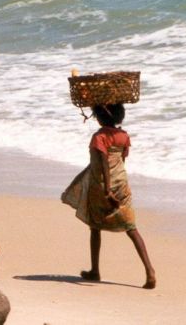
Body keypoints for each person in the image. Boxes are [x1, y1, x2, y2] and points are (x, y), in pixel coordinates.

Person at [62, 104, 156, 289]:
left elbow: (103, 160)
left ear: (98, 117)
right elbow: (121, 159)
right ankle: (149, 271)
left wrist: (107, 190)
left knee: (95, 227)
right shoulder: (124, 136)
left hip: (102, 186)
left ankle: (95, 270)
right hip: (122, 183)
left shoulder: (99, 137)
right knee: (131, 227)